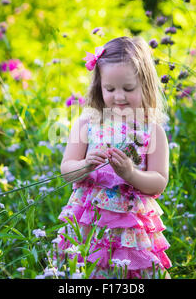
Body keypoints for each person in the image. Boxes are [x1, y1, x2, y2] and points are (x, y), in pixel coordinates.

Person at [55, 36, 171, 279]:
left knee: (128, 275)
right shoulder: (87, 123)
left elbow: (159, 182)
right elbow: (67, 170)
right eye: (110, 89)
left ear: (145, 85)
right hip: (89, 223)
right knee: (86, 272)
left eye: (128, 89)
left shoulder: (152, 131)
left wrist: (131, 174)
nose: (119, 96)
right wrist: (85, 166)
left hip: (130, 229)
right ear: (100, 87)